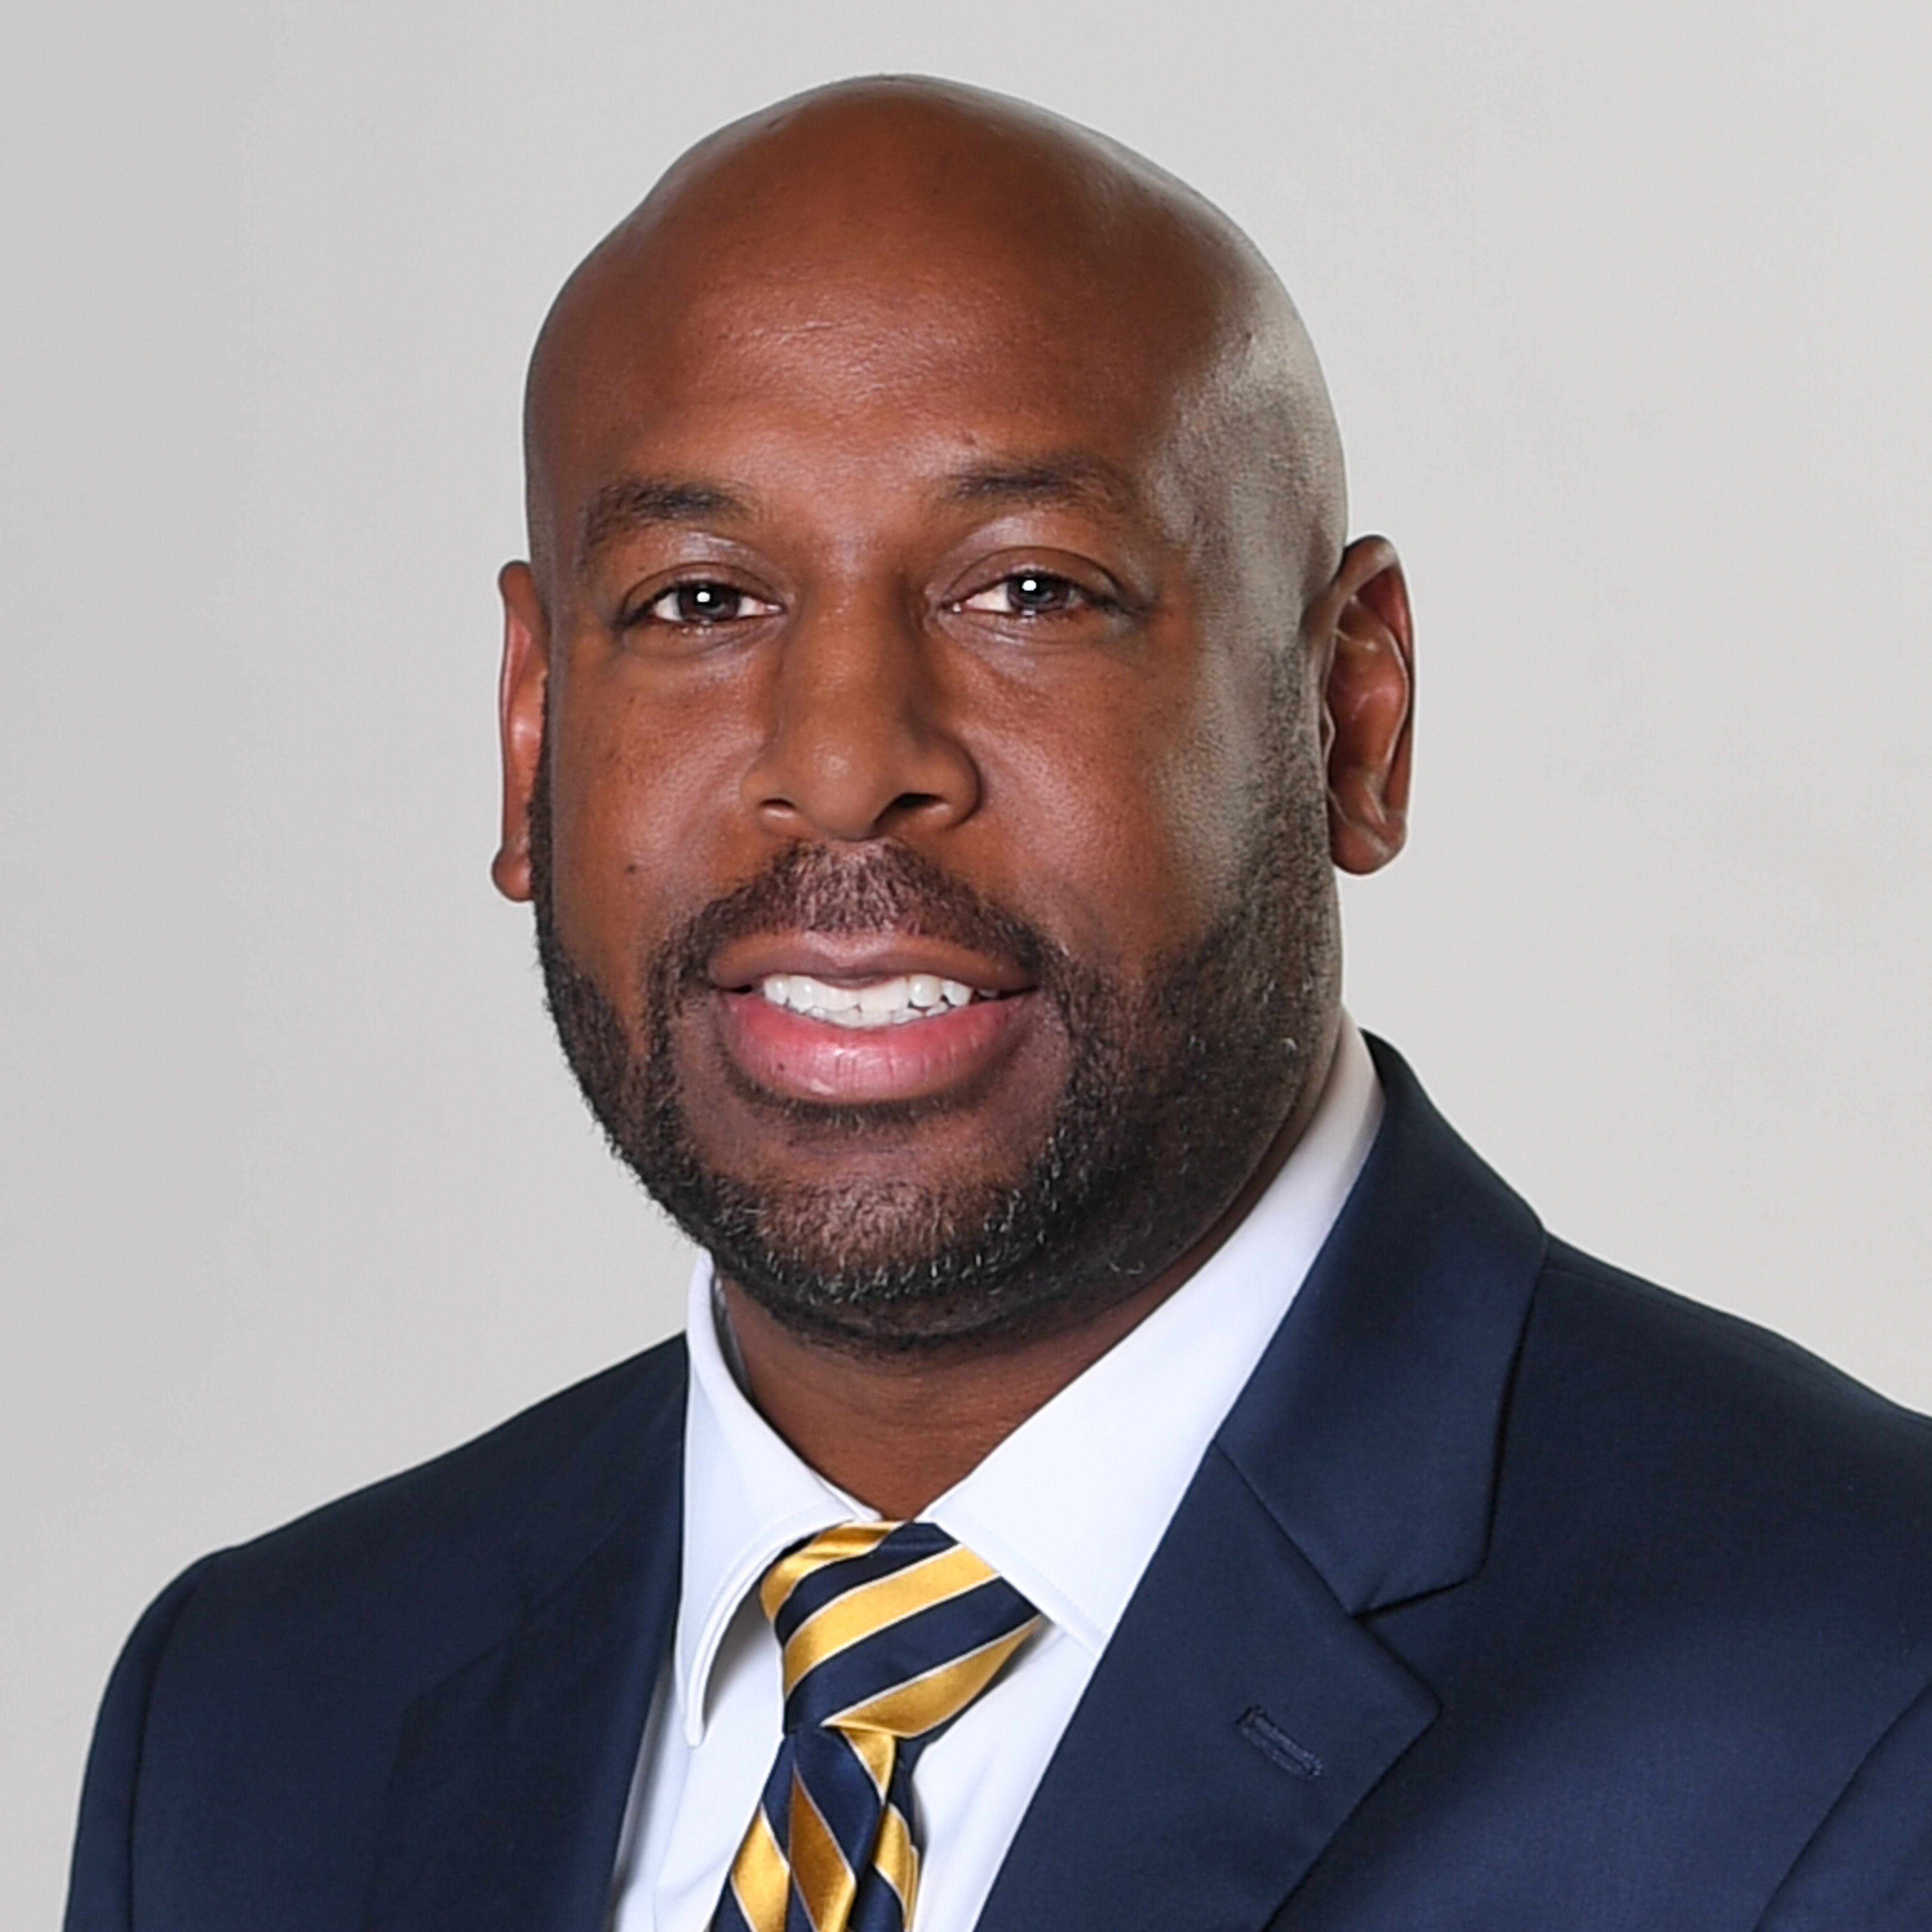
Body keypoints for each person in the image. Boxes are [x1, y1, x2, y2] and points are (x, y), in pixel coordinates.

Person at [65, 76, 1932, 1932]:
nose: (842, 759)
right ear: (530, 730)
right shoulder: (246, 1725)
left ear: (1352, 716)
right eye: (700, 600)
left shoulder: (1862, 1684)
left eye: (1027, 588)